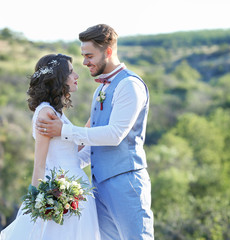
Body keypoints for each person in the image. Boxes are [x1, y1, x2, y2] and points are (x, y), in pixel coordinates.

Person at [36, 24, 154, 239]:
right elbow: (92, 144)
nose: (84, 62)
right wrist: (67, 167)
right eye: (83, 55)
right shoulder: (100, 89)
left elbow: (114, 135)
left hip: (126, 183)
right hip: (97, 187)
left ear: (108, 52)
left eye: (89, 55)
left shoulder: (129, 85)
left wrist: (65, 131)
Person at [0, 54, 101, 240]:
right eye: (71, 72)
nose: (77, 75)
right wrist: (37, 202)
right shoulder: (46, 112)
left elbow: (70, 151)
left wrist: (93, 124)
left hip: (75, 188)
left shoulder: (55, 112)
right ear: (58, 79)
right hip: (60, 192)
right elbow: (40, 163)